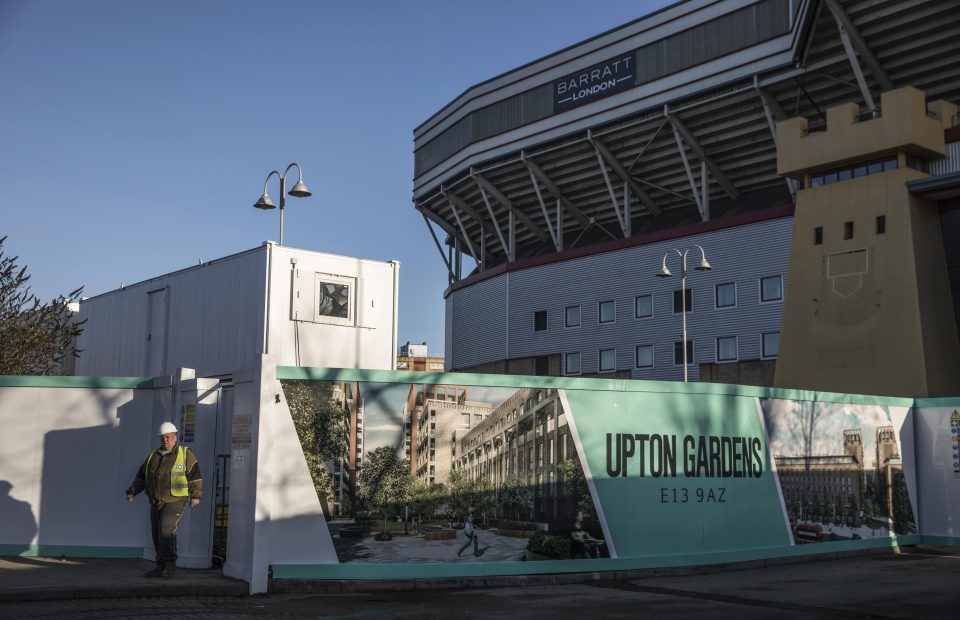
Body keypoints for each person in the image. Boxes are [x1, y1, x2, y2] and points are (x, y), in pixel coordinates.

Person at [126, 422, 202, 578]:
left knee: (166, 531)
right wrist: (133, 491)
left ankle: (169, 565)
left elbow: (195, 475)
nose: (165, 440)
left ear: (175, 437)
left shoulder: (185, 454)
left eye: (168, 437)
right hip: (156, 501)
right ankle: (160, 565)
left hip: (176, 500)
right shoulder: (154, 455)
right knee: (156, 533)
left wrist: (195, 495)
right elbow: (142, 476)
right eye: (162, 438)